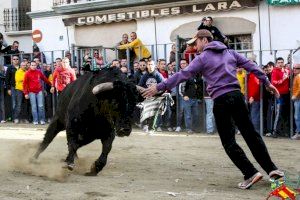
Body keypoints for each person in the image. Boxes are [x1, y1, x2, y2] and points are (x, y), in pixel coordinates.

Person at [142, 29, 284, 189]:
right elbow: (252, 67)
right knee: (250, 134)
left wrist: (159, 87)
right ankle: (272, 169)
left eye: (195, 43)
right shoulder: (230, 53)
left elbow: (182, 74)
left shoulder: (202, 58)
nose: (195, 47)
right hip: (237, 97)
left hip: (221, 100)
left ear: (204, 40)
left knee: (229, 141)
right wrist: (267, 83)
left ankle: (250, 172)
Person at [269, 57, 290, 138]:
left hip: (287, 94)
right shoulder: (274, 71)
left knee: (285, 113)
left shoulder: (286, 70)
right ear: (276, 63)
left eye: (282, 62)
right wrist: (283, 79)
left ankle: (283, 131)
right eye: (279, 62)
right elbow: (274, 83)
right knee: (279, 112)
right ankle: (275, 131)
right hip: (279, 95)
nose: (280, 64)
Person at [291, 64, 300, 140]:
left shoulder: (299, 76)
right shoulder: (296, 76)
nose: (294, 69)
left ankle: (298, 133)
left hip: (298, 99)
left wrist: (295, 95)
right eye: (293, 68)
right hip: (297, 99)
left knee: (297, 117)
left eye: (296, 68)